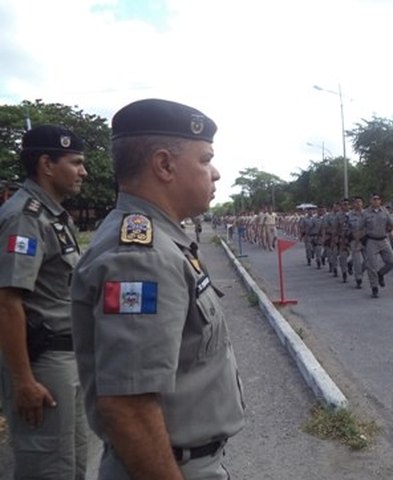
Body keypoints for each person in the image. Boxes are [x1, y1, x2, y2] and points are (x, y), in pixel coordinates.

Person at [71, 99, 245, 479]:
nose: (214, 173)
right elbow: (128, 408)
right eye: (204, 159)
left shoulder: (163, 241)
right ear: (164, 165)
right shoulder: (142, 256)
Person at [0, 125, 89, 479]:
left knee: (72, 462)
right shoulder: (25, 217)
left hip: (67, 356)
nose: (84, 171)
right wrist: (23, 380)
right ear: (46, 164)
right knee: (48, 467)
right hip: (42, 362)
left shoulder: (53, 215)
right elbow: (6, 302)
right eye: (76, 162)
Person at [358, 193, 393, 298]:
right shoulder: (366, 213)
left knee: (391, 262)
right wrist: (359, 241)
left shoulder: (385, 211)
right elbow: (359, 227)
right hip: (371, 241)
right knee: (372, 266)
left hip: (383, 240)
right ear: (370, 201)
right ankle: (374, 288)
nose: (376, 201)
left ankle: (381, 274)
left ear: (380, 201)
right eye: (374, 199)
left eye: (378, 199)